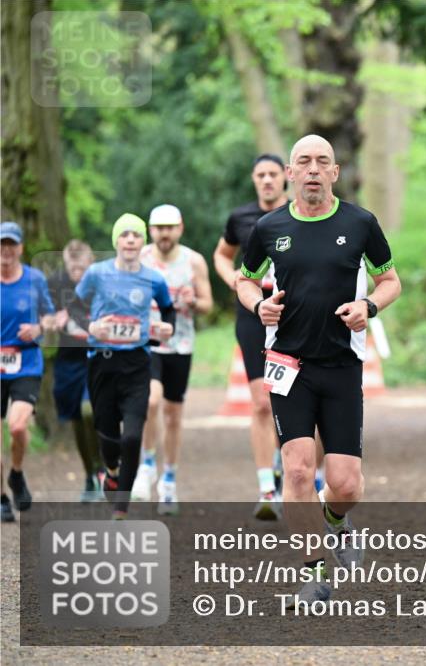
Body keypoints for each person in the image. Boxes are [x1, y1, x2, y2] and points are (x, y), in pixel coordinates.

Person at [237, 134, 401, 602]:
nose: (312, 169)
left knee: (346, 484)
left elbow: (391, 280)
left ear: (334, 172)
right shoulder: (269, 227)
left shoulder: (360, 222)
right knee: (297, 470)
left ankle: (335, 518)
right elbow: (243, 280)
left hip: (342, 365)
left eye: (321, 162)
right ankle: (312, 574)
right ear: (290, 173)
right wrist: (257, 306)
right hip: (288, 363)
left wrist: (368, 306)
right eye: (303, 162)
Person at [70, 214, 175, 519]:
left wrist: (164, 330)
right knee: (107, 433)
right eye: (124, 234)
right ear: (116, 241)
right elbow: (75, 308)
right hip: (101, 363)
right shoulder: (96, 273)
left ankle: (121, 507)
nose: (130, 239)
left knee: (131, 436)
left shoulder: (153, 278)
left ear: (143, 242)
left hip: (137, 364)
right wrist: (92, 327)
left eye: (136, 235)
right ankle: (111, 470)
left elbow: (168, 310)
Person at [213, 154, 288, 519]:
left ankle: (292, 467)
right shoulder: (240, 218)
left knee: (289, 399)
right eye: (261, 174)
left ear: (285, 178)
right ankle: (267, 489)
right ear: (254, 179)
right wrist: (235, 281)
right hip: (253, 315)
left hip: (292, 316)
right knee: (260, 402)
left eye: (273, 174)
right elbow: (222, 255)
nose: (268, 180)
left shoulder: (297, 214)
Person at [132, 204, 213, 515]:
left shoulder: (193, 261)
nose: (164, 234)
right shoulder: (140, 259)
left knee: (174, 416)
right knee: (151, 402)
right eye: (158, 228)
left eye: (169, 227)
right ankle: (147, 463)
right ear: (151, 231)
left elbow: (208, 303)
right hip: (148, 343)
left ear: (180, 228)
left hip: (181, 345)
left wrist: (195, 301)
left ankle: (169, 480)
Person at [0, 222, 56, 522]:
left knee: (17, 426)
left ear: (20, 248)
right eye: (1, 245)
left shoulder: (34, 279)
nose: (5, 251)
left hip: (26, 363)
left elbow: (52, 317)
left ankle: (17, 473)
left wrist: (37, 328)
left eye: (11, 245)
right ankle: (1, 499)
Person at [48, 240, 103, 502]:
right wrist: (51, 319)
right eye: (73, 269)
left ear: (90, 264)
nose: (77, 274)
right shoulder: (56, 284)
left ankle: (104, 470)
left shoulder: (101, 282)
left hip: (97, 359)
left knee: (89, 412)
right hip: (68, 361)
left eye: (82, 269)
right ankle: (90, 475)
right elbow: (42, 317)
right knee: (77, 420)